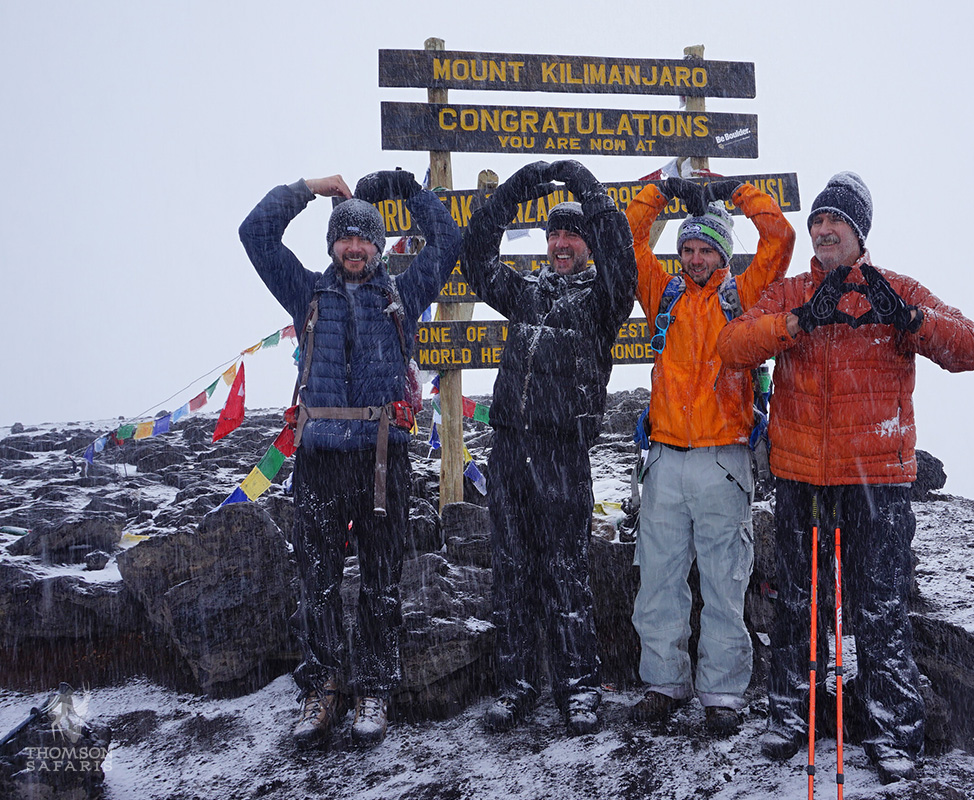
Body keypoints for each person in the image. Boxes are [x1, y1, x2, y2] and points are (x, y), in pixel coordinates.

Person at [717, 171, 974, 781]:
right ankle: (792, 715)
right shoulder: (791, 294)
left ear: (859, 230)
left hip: (877, 483)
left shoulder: (897, 290)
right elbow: (732, 346)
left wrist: (912, 319)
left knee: (880, 608)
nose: (821, 230)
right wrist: (797, 323)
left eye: (834, 221)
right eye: (816, 222)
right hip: (802, 480)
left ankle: (894, 728)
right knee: (801, 606)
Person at [239, 169, 461, 748]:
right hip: (318, 461)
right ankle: (323, 688)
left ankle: (374, 689)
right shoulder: (306, 292)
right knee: (317, 581)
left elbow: (447, 239)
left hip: (383, 460)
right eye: (345, 238)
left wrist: (407, 188)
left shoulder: (402, 297)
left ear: (379, 245)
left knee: (382, 582)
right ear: (332, 244)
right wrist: (309, 189)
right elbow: (256, 232)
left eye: (364, 238)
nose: (354, 247)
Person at [460, 159, 637, 735]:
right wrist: (513, 193)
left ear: (586, 243)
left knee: (568, 575)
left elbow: (623, 262)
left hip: (563, 453)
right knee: (511, 574)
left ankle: (579, 689)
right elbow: (475, 259)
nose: (561, 243)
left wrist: (587, 189)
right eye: (554, 233)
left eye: (572, 233)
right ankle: (516, 686)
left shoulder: (603, 300)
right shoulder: (525, 293)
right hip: (510, 450)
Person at [625, 176, 795, 734]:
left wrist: (741, 192)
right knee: (659, 579)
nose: (695, 259)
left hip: (723, 460)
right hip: (665, 458)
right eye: (689, 250)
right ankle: (663, 683)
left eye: (706, 250)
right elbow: (627, 239)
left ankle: (722, 692)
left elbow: (780, 237)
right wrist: (658, 194)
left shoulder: (741, 296)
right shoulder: (663, 293)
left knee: (725, 580)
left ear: (723, 254)